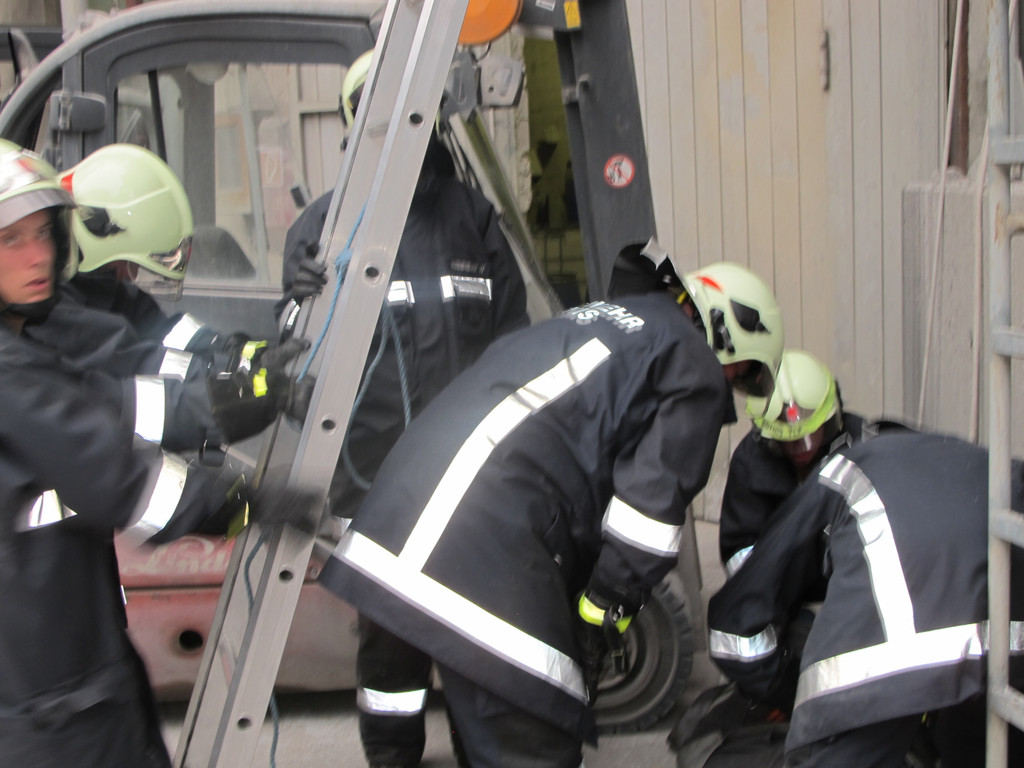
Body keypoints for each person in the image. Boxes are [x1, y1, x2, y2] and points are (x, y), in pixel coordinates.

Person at [318, 261, 785, 767]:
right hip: (483, 538)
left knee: (398, 681)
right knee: (534, 739)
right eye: (743, 371)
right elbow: (647, 522)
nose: (734, 383)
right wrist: (602, 612)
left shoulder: (594, 318)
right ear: (728, 330)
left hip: (395, 510)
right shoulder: (691, 361)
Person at [0, 144, 313, 767]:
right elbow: (119, 476)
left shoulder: (25, 342)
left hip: (67, 665)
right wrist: (245, 502)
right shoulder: (12, 367)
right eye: (11, 239)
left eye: (42, 234)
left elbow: (110, 392)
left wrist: (235, 384)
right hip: (49, 697)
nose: (38, 256)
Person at [281, 50, 529, 767]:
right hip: (375, 481)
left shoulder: (471, 215)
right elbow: (292, 365)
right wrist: (298, 302)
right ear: (361, 125)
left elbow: (513, 336)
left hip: (468, 474)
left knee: (477, 629)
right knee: (390, 639)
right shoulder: (324, 228)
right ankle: (392, 757)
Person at [706, 431, 1024, 767]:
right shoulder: (991, 468)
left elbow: (734, 630)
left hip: (891, 660)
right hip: (1006, 647)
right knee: (982, 743)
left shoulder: (837, 476)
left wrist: (790, 693)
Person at [719, 348, 908, 576]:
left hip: (853, 574)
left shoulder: (862, 444)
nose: (801, 448)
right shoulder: (749, 464)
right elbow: (738, 550)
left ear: (830, 419)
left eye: (810, 436)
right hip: (784, 582)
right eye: (788, 440)